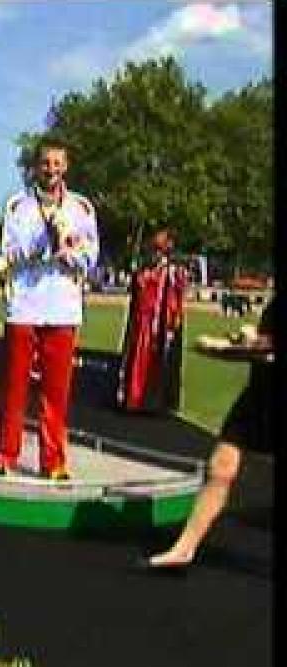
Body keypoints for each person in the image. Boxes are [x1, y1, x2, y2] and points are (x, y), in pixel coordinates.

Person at [0, 139, 99, 479]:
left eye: (57, 163)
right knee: (15, 386)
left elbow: (91, 258)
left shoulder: (81, 208)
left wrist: (69, 250)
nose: (51, 170)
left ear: (66, 167)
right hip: (24, 304)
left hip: (63, 307)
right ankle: (5, 454)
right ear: (36, 167)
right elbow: (8, 252)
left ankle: (53, 461)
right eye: (45, 163)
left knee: (56, 391)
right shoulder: (17, 207)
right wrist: (41, 245)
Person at [146, 293, 276, 570]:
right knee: (221, 467)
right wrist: (245, 339)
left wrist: (220, 349)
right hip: (259, 395)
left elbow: (266, 351)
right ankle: (184, 548)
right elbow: (263, 344)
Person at [117, 228, 188, 413]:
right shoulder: (146, 269)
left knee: (159, 363)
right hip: (143, 321)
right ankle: (134, 398)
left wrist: (173, 319)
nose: (155, 254)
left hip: (161, 322)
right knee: (138, 360)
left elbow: (176, 298)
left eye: (159, 250)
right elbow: (138, 291)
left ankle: (157, 401)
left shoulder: (173, 271)